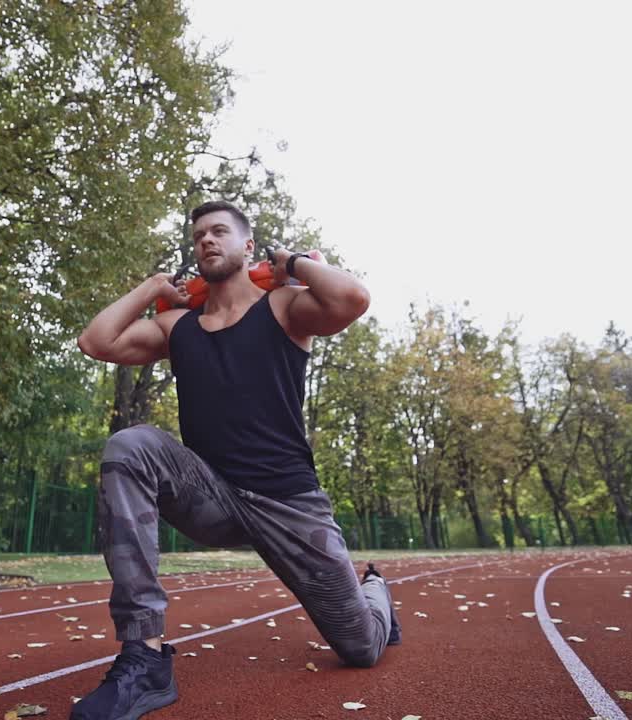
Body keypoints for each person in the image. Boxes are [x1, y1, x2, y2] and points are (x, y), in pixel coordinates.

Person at [71, 200, 399, 720]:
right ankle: (145, 657)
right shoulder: (177, 327)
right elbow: (96, 341)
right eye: (199, 234)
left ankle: (375, 592)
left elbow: (352, 298)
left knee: (360, 647)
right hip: (213, 497)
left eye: (220, 231)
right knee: (130, 446)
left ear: (247, 246)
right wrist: (155, 287)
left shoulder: (286, 307)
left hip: (289, 504)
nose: (207, 240)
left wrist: (291, 263)